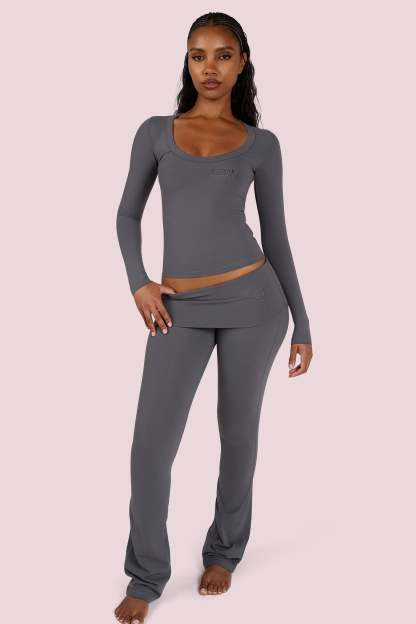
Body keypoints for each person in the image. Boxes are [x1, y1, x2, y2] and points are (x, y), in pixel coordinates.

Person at [114, 12, 313, 624]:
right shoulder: (156, 132)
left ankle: (224, 552)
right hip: (177, 307)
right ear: (187, 61)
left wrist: (303, 323)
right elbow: (127, 215)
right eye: (198, 55)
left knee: (238, 433)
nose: (210, 67)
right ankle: (147, 575)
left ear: (242, 62)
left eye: (223, 55)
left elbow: (277, 237)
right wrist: (140, 282)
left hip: (255, 304)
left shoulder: (261, 144)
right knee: (151, 446)